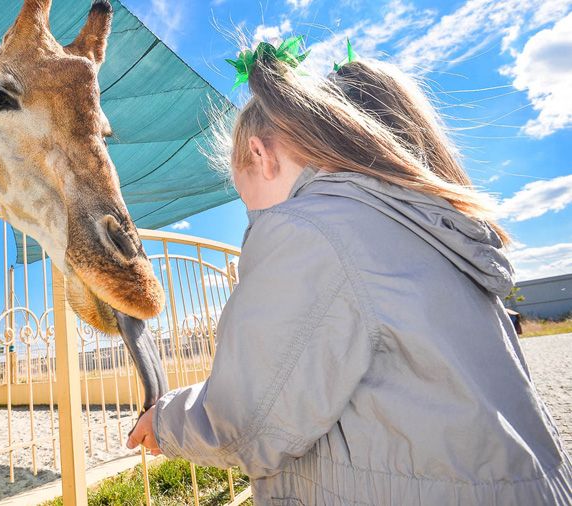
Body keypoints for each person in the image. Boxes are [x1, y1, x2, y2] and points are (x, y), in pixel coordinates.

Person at [126, 41, 572, 504]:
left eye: (248, 200)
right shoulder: (419, 222)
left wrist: (165, 422)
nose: (253, 220)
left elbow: (247, 421)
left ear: (261, 155)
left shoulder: (310, 228)